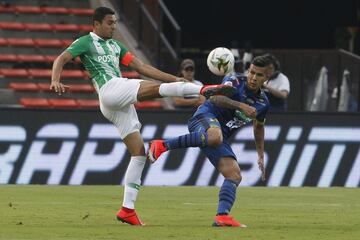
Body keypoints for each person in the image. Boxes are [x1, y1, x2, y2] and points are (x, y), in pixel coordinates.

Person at [50, 7, 236, 226]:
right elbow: (61, 58)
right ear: (96, 24)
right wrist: (55, 79)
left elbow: (142, 67)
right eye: (110, 22)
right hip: (110, 89)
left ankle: (127, 209)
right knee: (156, 90)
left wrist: (175, 79)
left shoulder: (116, 46)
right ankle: (204, 89)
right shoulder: (86, 42)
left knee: (139, 153)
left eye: (115, 22)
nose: (114, 26)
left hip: (115, 103)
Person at [148, 55, 271, 227]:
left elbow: (258, 127)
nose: (253, 77)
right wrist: (241, 105)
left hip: (218, 134)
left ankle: (222, 216)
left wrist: (260, 155)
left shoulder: (263, 103)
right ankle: (161, 145)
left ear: (266, 78)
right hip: (204, 117)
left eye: (259, 75)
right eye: (251, 72)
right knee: (214, 136)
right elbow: (214, 98)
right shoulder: (235, 81)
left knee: (234, 175)